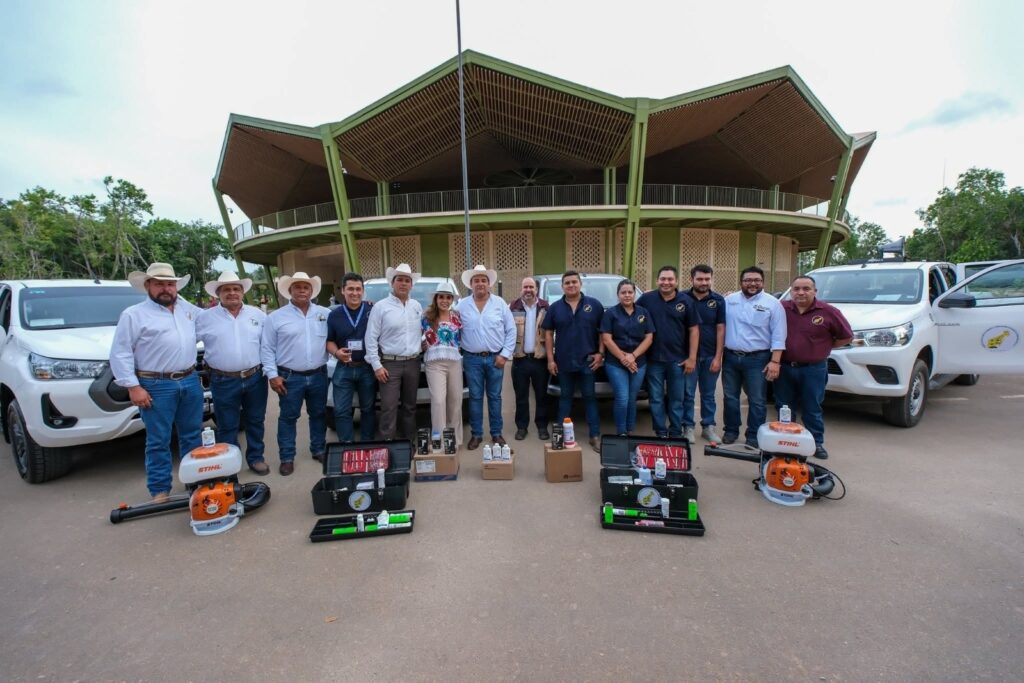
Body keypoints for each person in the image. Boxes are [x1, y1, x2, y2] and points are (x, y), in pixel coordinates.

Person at [110, 263, 203, 501]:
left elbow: (213, 323)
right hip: (156, 384)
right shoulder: (134, 315)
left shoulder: (187, 310)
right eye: (159, 284)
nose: (165, 288)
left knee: (192, 435)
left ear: (176, 287)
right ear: (147, 285)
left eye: (170, 284)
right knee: (158, 439)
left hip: (189, 380)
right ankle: (160, 489)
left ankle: (194, 482)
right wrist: (133, 386)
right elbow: (121, 352)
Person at [195, 271, 269, 475]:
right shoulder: (204, 318)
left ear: (242, 292)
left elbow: (268, 345)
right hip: (222, 379)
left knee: (255, 420)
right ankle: (230, 463)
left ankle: (256, 458)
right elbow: (187, 342)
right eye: (226, 289)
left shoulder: (258, 315)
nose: (232, 293)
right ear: (218, 293)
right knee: (227, 424)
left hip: (255, 377)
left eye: (236, 288)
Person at [260, 272, 330, 476]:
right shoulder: (275, 317)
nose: (302, 290)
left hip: (318, 374)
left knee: (318, 414)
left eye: (305, 287)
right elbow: (267, 348)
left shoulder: (325, 314)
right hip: (290, 376)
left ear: (311, 291)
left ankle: (318, 449)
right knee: (288, 417)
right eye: (297, 287)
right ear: (290, 290)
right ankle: (287, 457)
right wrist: (272, 375)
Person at [775, 275, 852, 460]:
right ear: (791, 291)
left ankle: (816, 442)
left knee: (812, 407)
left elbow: (847, 336)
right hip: (785, 368)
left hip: (813, 369)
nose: (801, 293)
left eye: (806, 289)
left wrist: (824, 347)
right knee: (784, 407)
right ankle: (787, 442)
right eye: (796, 289)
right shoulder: (781, 308)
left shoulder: (828, 311)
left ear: (815, 291)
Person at [722, 265, 787, 449]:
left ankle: (754, 434)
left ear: (763, 282)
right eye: (748, 280)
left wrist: (775, 361)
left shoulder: (773, 304)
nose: (752, 283)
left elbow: (779, 335)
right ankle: (731, 430)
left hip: (758, 359)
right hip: (730, 357)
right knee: (730, 397)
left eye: (757, 280)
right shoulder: (729, 300)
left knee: (757, 400)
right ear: (741, 282)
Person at [542, 270, 605, 453]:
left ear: (580, 284)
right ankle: (560, 436)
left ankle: (595, 435)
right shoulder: (555, 308)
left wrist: (601, 354)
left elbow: (603, 332)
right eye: (567, 283)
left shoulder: (594, 305)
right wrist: (551, 360)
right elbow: (548, 334)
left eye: (574, 282)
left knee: (590, 398)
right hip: (564, 362)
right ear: (562, 286)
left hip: (588, 361)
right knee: (565, 399)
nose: (571, 285)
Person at [456, 265, 516, 449]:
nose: (480, 283)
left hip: (495, 359)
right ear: (471, 284)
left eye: (483, 280)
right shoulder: (461, 306)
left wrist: (504, 355)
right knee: (475, 397)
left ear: (489, 284)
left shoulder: (500, 304)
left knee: (495, 397)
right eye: (476, 280)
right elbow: (451, 328)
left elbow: (511, 330)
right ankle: (476, 434)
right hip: (471, 359)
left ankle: (496, 433)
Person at [638, 265, 700, 440]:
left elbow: (694, 330)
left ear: (677, 281)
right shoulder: (646, 299)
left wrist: (692, 358)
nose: (666, 282)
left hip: (678, 360)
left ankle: (675, 432)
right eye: (663, 279)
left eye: (670, 279)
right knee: (656, 399)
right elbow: (632, 316)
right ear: (657, 281)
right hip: (653, 359)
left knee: (676, 399)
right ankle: (660, 432)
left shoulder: (686, 301)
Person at [364, 263, 422, 441]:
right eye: (400, 280)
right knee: (389, 407)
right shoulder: (381, 307)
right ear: (392, 283)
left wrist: (425, 343)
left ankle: (409, 442)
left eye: (407, 280)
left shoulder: (416, 306)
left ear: (411, 285)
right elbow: (370, 338)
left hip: (413, 362)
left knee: (410, 406)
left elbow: (419, 333)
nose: (403, 283)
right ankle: (387, 444)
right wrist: (377, 366)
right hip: (390, 364)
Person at [326, 272, 376, 443]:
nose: (355, 293)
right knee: (341, 411)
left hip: (367, 367)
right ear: (343, 290)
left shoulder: (372, 310)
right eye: (350, 289)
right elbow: (329, 341)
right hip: (343, 368)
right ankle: (346, 445)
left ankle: (367, 443)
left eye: (358, 289)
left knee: (368, 409)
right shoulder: (335, 315)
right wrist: (336, 353)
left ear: (363, 291)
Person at [600, 279, 654, 436]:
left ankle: (630, 430)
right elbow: (607, 339)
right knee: (622, 398)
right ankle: (621, 432)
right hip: (615, 363)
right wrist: (624, 359)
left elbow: (649, 337)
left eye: (630, 292)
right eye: (623, 292)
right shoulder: (610, 314)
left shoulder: (643, 313)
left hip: (639, 362)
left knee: (632, 398)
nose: (627, 295)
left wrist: (633, 356)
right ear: (618, 295)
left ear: (634, 294)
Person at [683, 264, 726, 444]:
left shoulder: (718, 300)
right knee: (688, 395)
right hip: (688, 357)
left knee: (708, 395)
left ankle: (708, 427)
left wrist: (718, 357)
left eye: (707, 279)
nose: (704, 282)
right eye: (699, 279)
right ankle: (688, 427)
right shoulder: (682, 298)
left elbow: (721, 329)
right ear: (691, 279)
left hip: (710, 356)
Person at [422, 280, 464, 447]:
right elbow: (416, 337)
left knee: (455, 401)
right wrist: (421, 344)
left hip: (454, 362)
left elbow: (462, 338)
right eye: (441, 297)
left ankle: (454, 440)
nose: (445, 300)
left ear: (452, 299)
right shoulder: (427, 317)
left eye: (448, 297)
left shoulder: (457, 317)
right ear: (436, 299)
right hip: (435, 363)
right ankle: (438, 440)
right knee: (439, 401)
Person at [509, 276, 551, 441]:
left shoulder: (545, 307)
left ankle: (542, 427)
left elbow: (552, 332)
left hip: (540, 359)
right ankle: (522, 427)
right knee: (521, 396)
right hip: (520, 359)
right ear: (521, 289)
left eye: (531, 287)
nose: (528, 290)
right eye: (525, 287)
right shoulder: (513, 307)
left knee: (542, 396)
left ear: (536, 290)